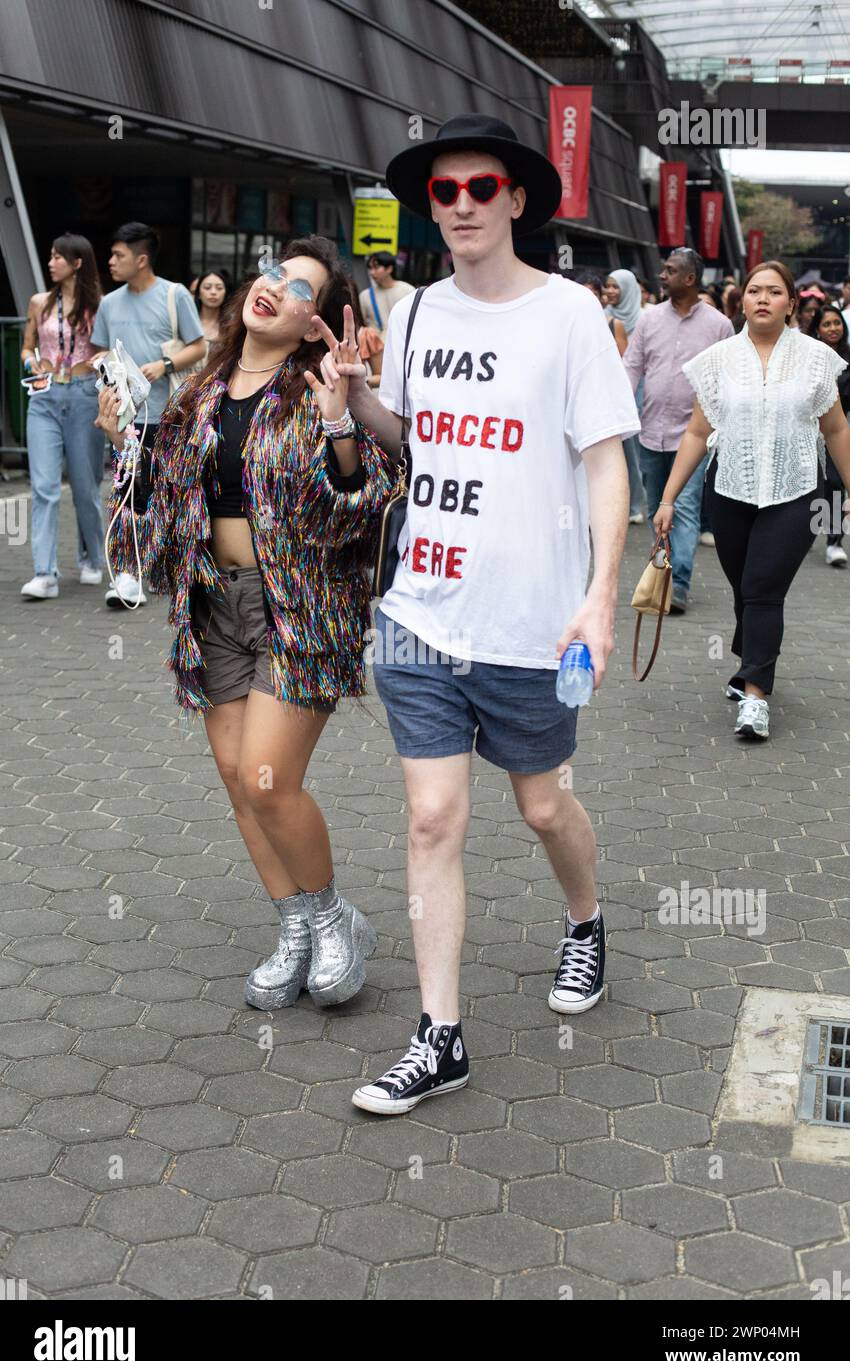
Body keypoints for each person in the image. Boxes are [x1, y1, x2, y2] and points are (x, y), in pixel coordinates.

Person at [312, 113, 640, 1116]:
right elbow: (408, 440)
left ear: (514, 199)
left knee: (540, 806)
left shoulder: (568, 316)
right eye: (440, 192)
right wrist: (350, 400)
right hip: (418, 611)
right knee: (429, 817)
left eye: (476, 187)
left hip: (529, 622)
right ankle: (439, 1035)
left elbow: (602, 461)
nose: (456, 205)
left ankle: (581, 919)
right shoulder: (412, 314)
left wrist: (596, 595)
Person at [98, 236, 397, 1011]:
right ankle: (295, 928)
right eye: (271, 274)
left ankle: (337, 920)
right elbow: (156, 525)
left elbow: (357, 514)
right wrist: (122, 450)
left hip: (297, 610)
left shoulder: (318, 389)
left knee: (269, 778)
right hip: (213, 606)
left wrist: (338, 421)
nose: (273, 288)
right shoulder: (200, 394)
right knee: (237, 779)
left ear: (311, 325)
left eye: (298, 288)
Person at [654, 261, 850, 740]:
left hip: (797, 488)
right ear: (741, 300)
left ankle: (756, 693)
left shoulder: (818, 359)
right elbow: (699, 431)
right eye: (755, 290)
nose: (763, 298)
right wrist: (666, 499)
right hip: (730, 490)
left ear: (791, 304)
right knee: (744, 586)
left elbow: (836, 428)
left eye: (775, 292)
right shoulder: (717, 360)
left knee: (764, 587)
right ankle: (750, 656)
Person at [89, 222, 206, 607]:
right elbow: (101, 351)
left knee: (164, 491)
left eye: (118, 255)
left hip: (167, 413)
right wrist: (105, 368)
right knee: (126, 489)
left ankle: (159, 564)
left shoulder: (174, 295)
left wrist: (164, 364)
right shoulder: (108, 303)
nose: (110, 262)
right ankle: (126, 572)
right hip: (124, 418)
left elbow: (199, 347)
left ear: (141, 259)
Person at [623, 246, 734, 613]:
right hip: (649, 432)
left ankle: (679, 584)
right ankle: (659, 577)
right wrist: (620, 409)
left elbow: (725, 382)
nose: (661, 274)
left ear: (689, 278)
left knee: (684, 509)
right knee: (658, 509)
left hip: (695, 437)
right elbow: (632, 366)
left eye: (669, 270)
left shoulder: (719, 325)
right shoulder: (650, 319)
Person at [19, 233, 104, 600]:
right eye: (51, 256)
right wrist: (31, 362)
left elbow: (105, 351)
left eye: (58, 257)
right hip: (45, 395)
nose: (51, 262)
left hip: (85, 395)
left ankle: (91, 557)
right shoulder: (40, 302)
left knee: (85, 488)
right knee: (44, 487)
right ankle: (44, 572)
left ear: (78, 263)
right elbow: (27, 345)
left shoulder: (100, 305)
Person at [605, 268, 647, 524]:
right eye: (608, 286)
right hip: (611, 389)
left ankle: (636, 503)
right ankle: (631, 503)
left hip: (638, 388)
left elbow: (629, 362)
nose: (610, 291)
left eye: (615, 287)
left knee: (634, 449)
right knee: (621, 448)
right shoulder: (601, 316)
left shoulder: (645, 319)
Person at [809, 304, 850, 567]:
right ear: (818, 329)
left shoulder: (848, 360)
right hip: (805, 432)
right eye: (827, 324)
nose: (833, 328)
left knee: (835, 484)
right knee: (815, 487)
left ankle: (834, 542)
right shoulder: (810, 358)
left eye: (837, 323)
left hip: (837, 432)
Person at [357, 251, 413, 338]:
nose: (372, 272)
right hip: (376, 349)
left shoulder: (408, 291)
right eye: (370, 268)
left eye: (376, 267)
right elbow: (359, 324)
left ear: (389, 268)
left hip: (402, 344)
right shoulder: (365, 296)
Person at [194, 267, 232, 367]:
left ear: (225, 293)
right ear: (198, 293)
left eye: (219, 288)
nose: (213, 292)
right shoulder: (187, 321)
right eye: (207, 287)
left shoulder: (232, 324)